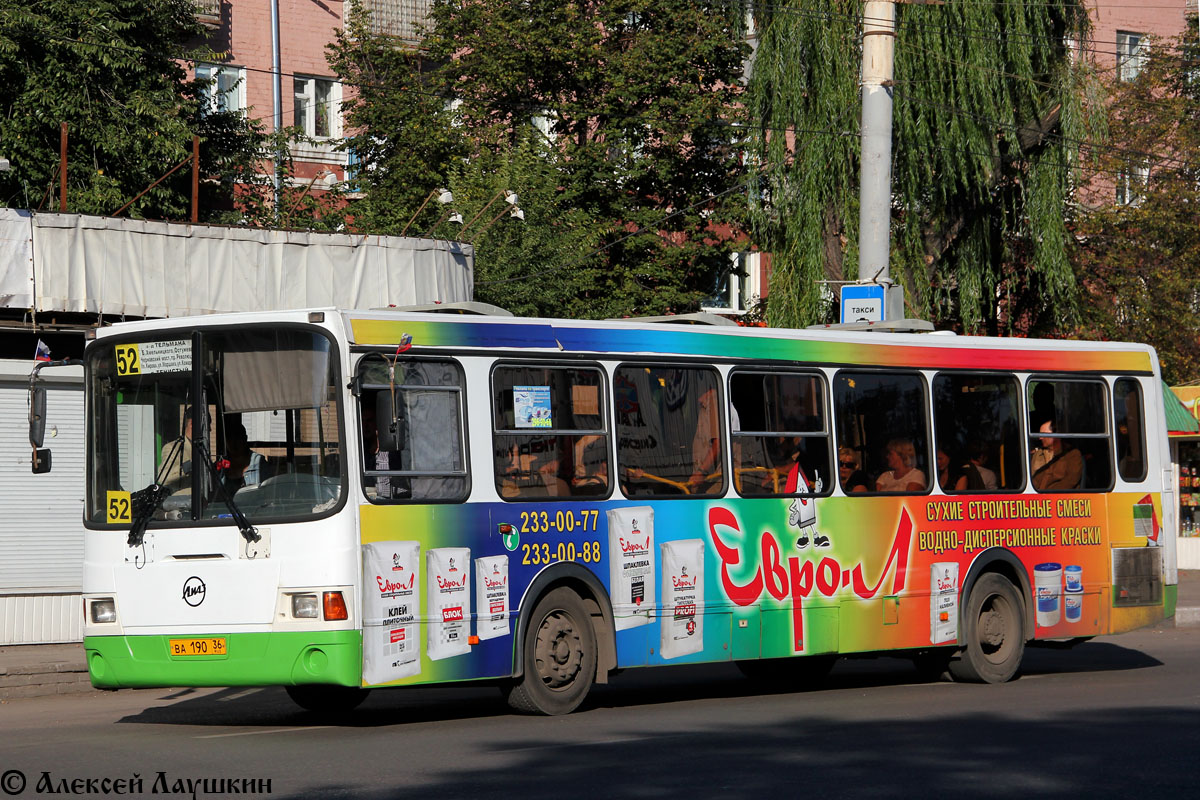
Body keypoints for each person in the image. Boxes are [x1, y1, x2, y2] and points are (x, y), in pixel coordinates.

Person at [1031, 420, 1083, 491]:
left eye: (1043, 434)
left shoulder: (1072, 454)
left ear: (1055, 434)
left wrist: (1048, 494)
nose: (1040, 438)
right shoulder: (1037, 455)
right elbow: (1033, 480)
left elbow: (1071, 480)